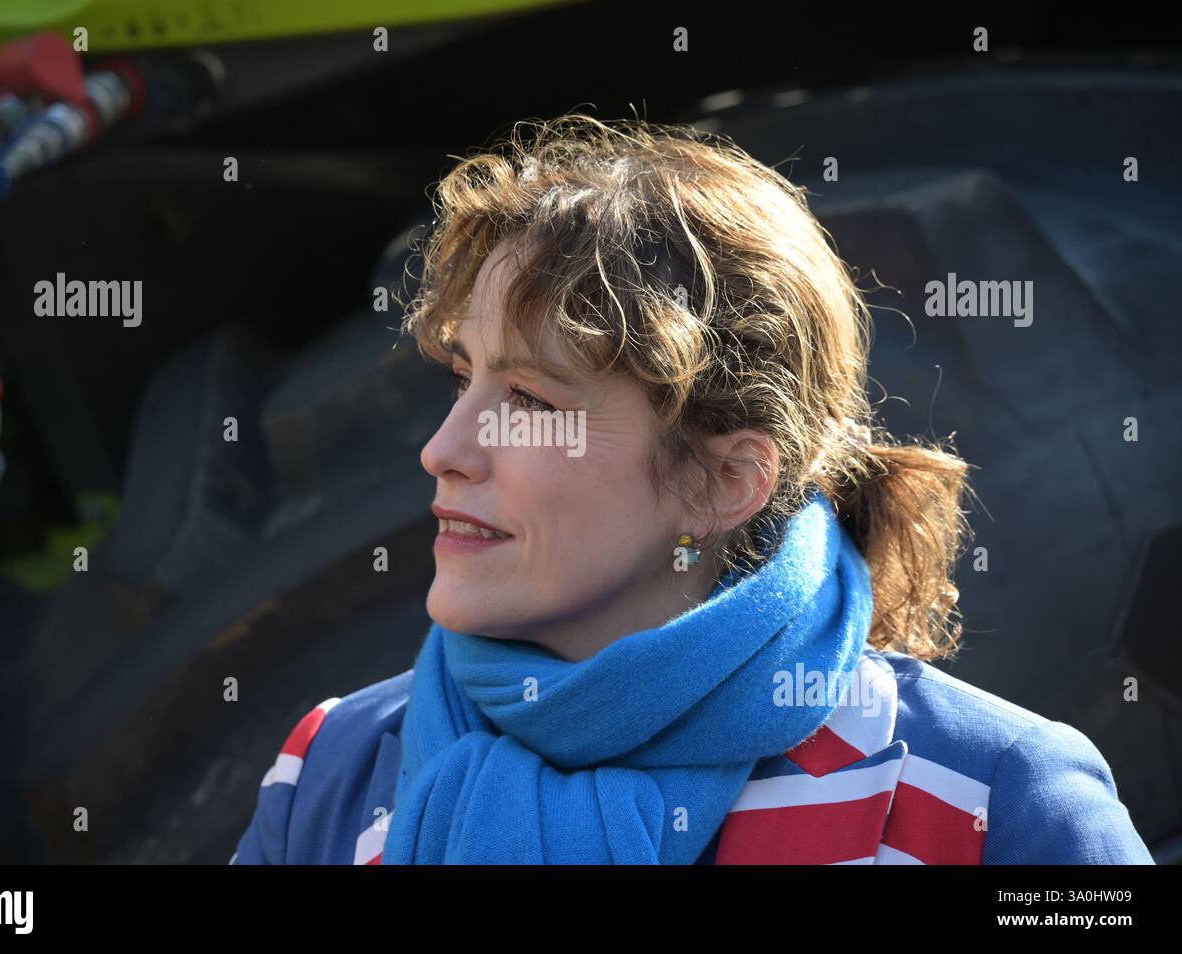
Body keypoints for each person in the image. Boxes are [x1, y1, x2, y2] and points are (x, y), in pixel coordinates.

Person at [231, 114, 1154, 865]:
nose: (443, 450)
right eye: (461, 379)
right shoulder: (332, 770)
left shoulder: (999, 806)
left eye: (528, 400)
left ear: (723, 481)